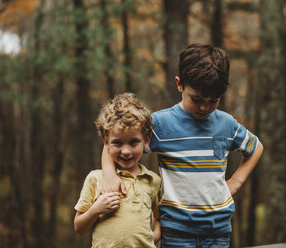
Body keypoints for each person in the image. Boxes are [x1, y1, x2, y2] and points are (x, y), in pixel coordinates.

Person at [101, 44, 264, 248]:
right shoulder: (160, 124)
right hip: (176, 231)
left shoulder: (227, 124)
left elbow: (256, 147)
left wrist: (236, 182)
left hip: (218, 230)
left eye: (213, 100)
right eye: (196, 99)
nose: (204, 107)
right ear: (179, 84)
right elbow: (114, 139)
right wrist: (110, 174)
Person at [74, 93, 161, 248]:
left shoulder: (153, 181)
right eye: (118, 143)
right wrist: (95, 210)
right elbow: (79, 228)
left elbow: (158, 217)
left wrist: (151, 238)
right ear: (105, 141)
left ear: (146, 140)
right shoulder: (96, 178)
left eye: (134, 142)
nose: (126, 151)